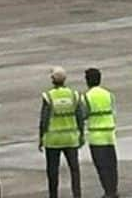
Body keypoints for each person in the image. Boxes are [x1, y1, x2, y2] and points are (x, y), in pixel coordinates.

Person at [40, 67, 85, 198]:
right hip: (70, 138)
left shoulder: (48, 96)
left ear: (53, 80)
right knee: (74, 170)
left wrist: (41, 137)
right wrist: (81, 134)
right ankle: (77, 195)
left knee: (53, 171)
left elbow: (44, 119)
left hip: (53, 140)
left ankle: (53, 195)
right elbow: (80, 117)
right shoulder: (74, 95)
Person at [83, 67, 118, 197]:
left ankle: (108, 191)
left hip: (96, 136)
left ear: (87, 81)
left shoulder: (86, 97)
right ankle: (113, 190)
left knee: (101, 166)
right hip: (109, 134)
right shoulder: (108, 94)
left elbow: (83, 114)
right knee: (112, 165)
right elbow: (113, 112)